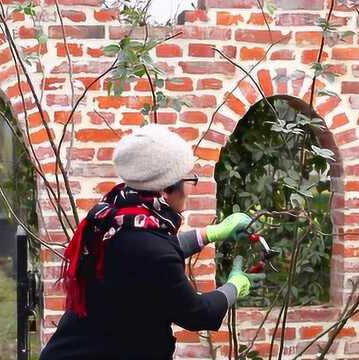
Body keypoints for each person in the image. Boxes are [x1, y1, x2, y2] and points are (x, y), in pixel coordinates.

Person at [40, 124, 262, 360]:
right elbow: (197, 314)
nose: (192, 188)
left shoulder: (115, 214)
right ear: (166, 189)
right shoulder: (148, 247)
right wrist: (234, 286)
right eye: (190, 179)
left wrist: (212, 233)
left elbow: (152, 254)